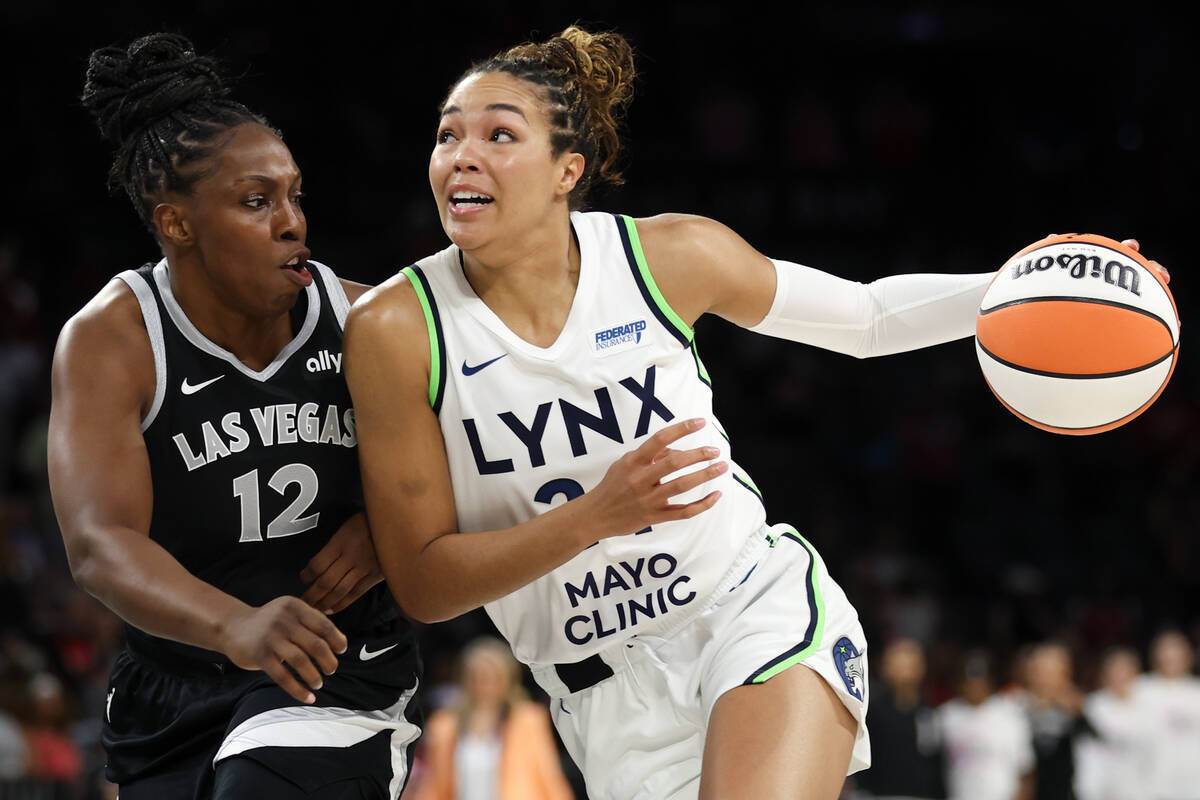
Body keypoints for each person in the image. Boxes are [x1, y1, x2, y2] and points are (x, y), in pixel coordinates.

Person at [344, 26, 1165, 800]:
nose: (461, 157)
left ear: (568, 169)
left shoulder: (665, 257)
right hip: (602, 697)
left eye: (498, 135)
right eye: (448, 135)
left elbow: (868, 318)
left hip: (744, 606)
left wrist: (1038, 281)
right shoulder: (397, 329)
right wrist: (598, 516)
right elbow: (423, 582)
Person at [48, 33, 421, 799]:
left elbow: (480, 445)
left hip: (334, 667)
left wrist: (396, 522)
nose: (292, 222)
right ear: (178, 224)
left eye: (294, 195)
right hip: (173, 680)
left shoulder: (362, 318)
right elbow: (99, 543)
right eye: (257, 201)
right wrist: (232, 626)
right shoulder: (114, 338)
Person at [411, 636, 574, 800]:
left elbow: (548, 774)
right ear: (465, 678)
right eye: (477, 676)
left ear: (507, 678)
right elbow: (433, 783)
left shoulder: (528, 719)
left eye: (491, 676)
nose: (484, 683)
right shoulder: (443, 725)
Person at [853, 638, 945, 799]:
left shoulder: (927, 712)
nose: (904, 671)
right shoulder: (870, 710)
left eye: (910, 664)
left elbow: (933, 760)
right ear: (885, 667)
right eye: (898, 664)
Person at [937, 650, 1034, 800]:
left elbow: (1025, 770)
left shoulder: (1009, 713)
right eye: (969, 680)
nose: (975, 686)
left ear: (990, 681)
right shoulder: (947, 715)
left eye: (980, 679)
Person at [1015, 642, 1095, 800]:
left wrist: (1076, 709)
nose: (1044, 679)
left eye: (1052, 672)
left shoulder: (1079, 711)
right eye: (1039, 671)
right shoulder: (1015, 708)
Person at [1074, 646, 1154, 800]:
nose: (1120, 676)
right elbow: (1087, 755)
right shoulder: (1093, 706)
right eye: (1115, 671)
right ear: (1104, 675)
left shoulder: (1149, 707)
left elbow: (1154, 756)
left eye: (1126, 670)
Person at [1136, 630, 1200, 800]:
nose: (1171, 658)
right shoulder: (1141, 688)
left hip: (1194, 788)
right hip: (1151, 788)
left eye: (1177, 652)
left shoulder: (1197, 690)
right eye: (1165, 652)